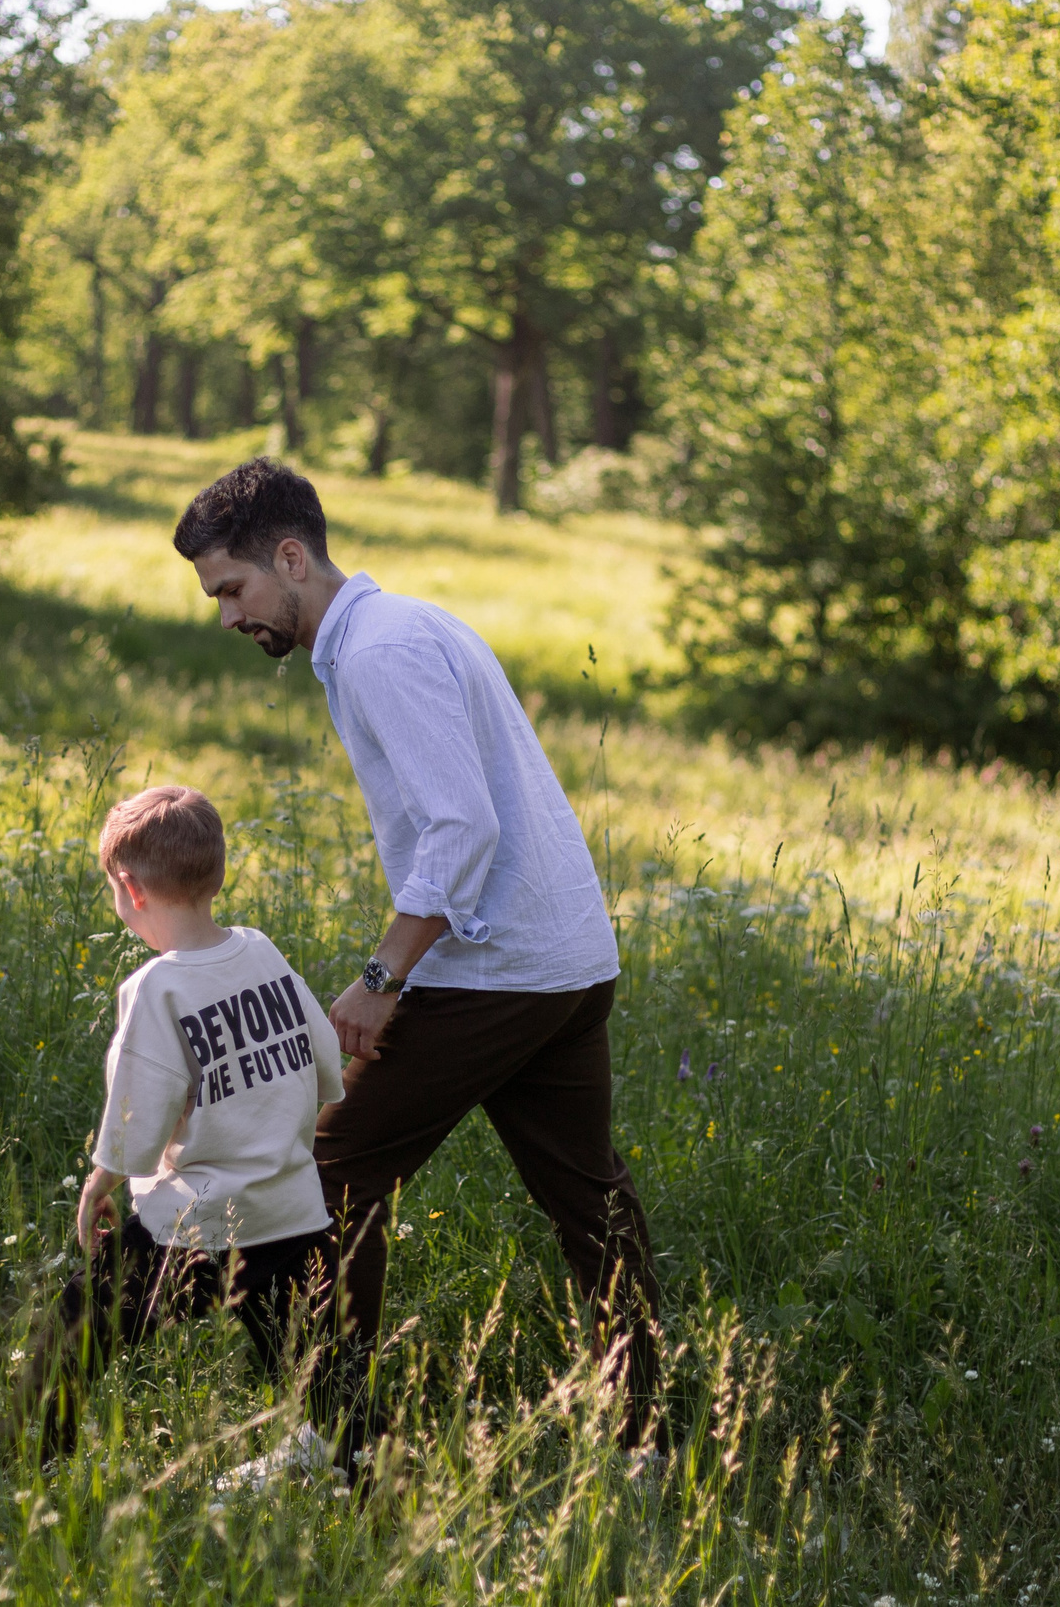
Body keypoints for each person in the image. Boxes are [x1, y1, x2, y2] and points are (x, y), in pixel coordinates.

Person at [173, 458, 665, 1452]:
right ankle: (650, 1442)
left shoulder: (379, 652)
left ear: (290, 555)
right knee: (588, 1200)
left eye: (232, 588)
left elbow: (460, 828)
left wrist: (382, 978)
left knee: (322, 1180)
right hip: (564, 963)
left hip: (497, 971)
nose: (226, 615)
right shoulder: (406, 626)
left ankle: (338, 1445)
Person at [7, 783, 357, 1482]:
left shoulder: (157, 988)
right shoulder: (263, 953)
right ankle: (363, 1473)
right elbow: (324, 1065)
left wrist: (103, 1179)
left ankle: (26, 1471)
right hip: (292, 1214)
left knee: (76, 1331)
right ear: (215, 872)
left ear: (130, 889)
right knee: (324, 1370)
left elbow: (138, 1111)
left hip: (191, 1228)